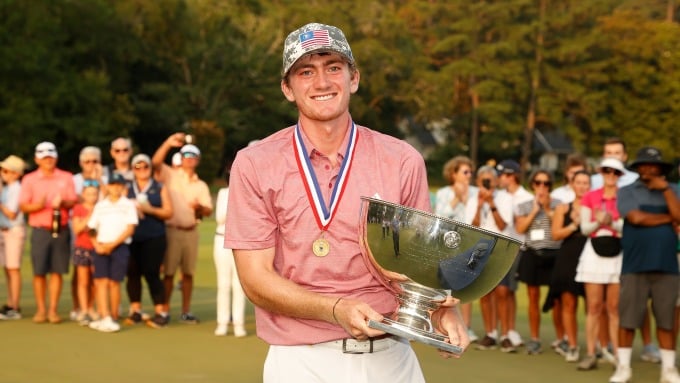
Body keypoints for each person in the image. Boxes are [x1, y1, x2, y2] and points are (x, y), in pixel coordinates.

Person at [223, 22, 469, 383]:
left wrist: (440, 311)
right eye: (305, 72)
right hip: (301, 362)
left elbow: (420, 267)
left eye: (333, 67)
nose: (322, 83)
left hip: (392, 359)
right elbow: (255, 278)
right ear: (287, 88)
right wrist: (334, 309)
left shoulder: (401, 159)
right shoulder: (256, 163)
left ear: (354, 78)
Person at [611, 147, 680, 383]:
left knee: (667, 320)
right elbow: (635, 218)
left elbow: (679, 216)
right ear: (638, 168)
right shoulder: (627, 191)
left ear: (661, 168)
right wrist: (669, 218)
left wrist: (666, 192)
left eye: (653, 164)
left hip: (667, 265)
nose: (649, 168)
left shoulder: (676, 190)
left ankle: (669, 370)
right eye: (644, 164)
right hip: (635, 264)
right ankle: (623, 367)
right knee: (628, 318)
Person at [151, 135, 212, 324]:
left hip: (191, 231)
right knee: (168, 274)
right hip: (172, 230)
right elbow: (155, 163)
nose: (189, 159)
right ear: (181, 158)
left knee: (188, 274)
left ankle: (186, 311)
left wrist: (200, 208)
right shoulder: (171, 175)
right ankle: (165, 310)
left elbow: (209, 209)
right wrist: (168, 143)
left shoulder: (201, 184)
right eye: (186, 155)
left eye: (193, 156)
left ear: (198, 160)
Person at [574, 158, 625, 371]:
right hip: (594, 251)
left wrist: (610, 222)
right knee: (594, 307)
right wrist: (599, 221)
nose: (610, 174)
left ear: (620, 174)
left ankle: (618, 357)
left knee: (614, 308)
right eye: (606, 170)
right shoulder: (590, 196)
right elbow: (585, 228)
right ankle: (591, 353)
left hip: (617, 252)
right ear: (601, 172)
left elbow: (627, 226)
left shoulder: (625, 196)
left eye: (615, 171)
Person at [19, 142, 78, 324]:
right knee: (39, 272)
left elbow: (73, 201)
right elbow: (23, 205)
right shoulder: (29, 179)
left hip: (61, 229)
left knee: (57, 271)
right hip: (40, 229)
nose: (48, 160)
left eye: (51, 157)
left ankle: (53, 310)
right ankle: (41, 310)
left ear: (56, 158)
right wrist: (38, 205)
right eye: (44, 158)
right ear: (37, 159)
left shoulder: (66, 177)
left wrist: (63, 203)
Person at [515, 169, 564, 355]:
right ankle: (535, 339)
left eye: (546, 184)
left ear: (551, 186)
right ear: (532, 184)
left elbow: (558, 227)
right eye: (538, 183)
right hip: (532, 253)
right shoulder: (525, 205)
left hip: (555, 253)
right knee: (533, 297)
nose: (542, 187)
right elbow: (520, 228)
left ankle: (561, 339)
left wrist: (548, 210)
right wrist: (535, 210)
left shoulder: (559, 204)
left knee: (557, 299)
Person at [465, 165, 512, 350]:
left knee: (503, 292)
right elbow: (473, 226)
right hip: (480, 248)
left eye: (490, 181)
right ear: (477, 182)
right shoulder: (472, 200)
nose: (487, 184)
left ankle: (507, 334)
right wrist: (479, 205)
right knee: (485, 293)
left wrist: (492, 203)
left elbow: (502, 226)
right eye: (483, 180)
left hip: (500, 248)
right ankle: (490, 333)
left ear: (496, 181)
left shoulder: (505, 198)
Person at [546, 170, 590, 363]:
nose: (581, 186)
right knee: (568, 302)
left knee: (594, 305)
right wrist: (574, 224)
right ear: (572, 185)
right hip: (568, 255)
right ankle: (572, 345)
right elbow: (555, 235)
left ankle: (596, 346)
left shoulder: (596, 207)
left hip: (591, 254)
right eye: (578, 182)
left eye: (585, 183)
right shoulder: (563, 208)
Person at [125, 154, 173, 328]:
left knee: (152, 273)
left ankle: (161, 311)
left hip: (154, 236)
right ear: (132, 170)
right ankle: (135, 310)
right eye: (138, 167)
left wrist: (150, 209)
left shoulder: (159, 187)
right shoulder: (126, 187)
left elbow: (168, 212)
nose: (142, 170)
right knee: (132, 273)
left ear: (150, 169)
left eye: (145, 167)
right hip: (131, 237)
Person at [435, 155, 478, 342]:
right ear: (453, 174)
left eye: (470, 172)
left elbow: (475, 219)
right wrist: (456, 199)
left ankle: (466, 327)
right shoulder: (443, 192)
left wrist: (467, 199)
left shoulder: (476, 192)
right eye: (465, 172)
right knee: (443, 287)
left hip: (468, 243)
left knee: (465, 287)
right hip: (446, 242)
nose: (469, 175)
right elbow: (441, 216)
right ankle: (439, 324)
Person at [87, 173, 138, 332]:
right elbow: (91, 228)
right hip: (101, 246)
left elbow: (130, 229)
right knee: (100, 281)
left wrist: (112, 245)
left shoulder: (128, 204)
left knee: (114, 282)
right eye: (113, 185)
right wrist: (96, 245)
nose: (115, 188)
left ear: (123, 187)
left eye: (118, 185)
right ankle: (104, 316)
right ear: (107, 186)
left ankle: (113, 316)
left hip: (119, 247)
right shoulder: (101, 205)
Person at [494, 159, 534, 352]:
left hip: (518, 248)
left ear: (512, 176)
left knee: (509, 291)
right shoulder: (500, 195)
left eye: (502, 175)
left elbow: (520, 227)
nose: (499, 178)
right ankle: (505, 333)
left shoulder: (526, 197)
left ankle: (509, 331)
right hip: (501, 248)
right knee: (502, 291)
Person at [213, 178, 247, 337]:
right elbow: (220, 218)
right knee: (223, 284)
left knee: (239, 285)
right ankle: (222, 322)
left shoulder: (248, 193)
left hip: (241, 242)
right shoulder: (223, 193)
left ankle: (238, 323)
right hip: (222, 240)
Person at [70, 178, 100, 325]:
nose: (92, 197)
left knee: (95, 281)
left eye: (94, 194)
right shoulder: (78, 209)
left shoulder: (102, 208)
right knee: (83, 281)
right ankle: (83, 310)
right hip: (82, 248)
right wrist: (90, 215)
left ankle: (91, 307)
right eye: (89, 194)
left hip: (97, 248)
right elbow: (77, 229)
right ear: (83, 194)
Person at [0, 155, 26, 320]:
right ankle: (10, 303)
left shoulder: (17, 188)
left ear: (16, 173)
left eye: (6, 170)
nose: (3, 173)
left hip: (14, 230)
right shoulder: (6, 188)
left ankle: (15, 307)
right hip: (3, 232)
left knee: (13, 269)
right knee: (7, 269)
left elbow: (11, 214)